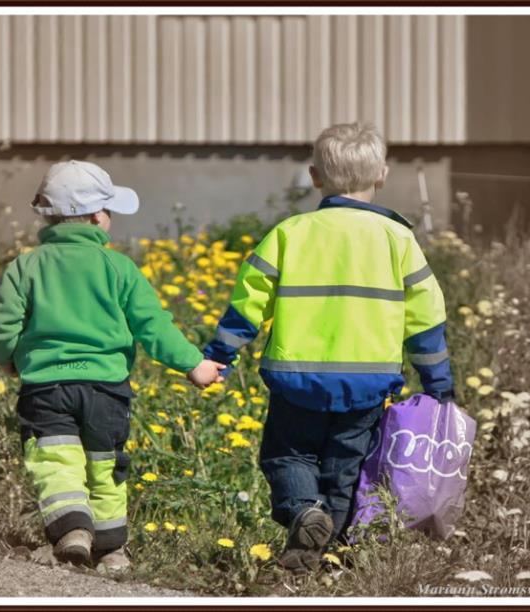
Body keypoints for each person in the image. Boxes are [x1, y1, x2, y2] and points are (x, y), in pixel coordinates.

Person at [203, 122, 455, 574]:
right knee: (346, 469)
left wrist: (219, 356)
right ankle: (328, 554)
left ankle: (303, 513)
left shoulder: (290, 233)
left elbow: (247, 304)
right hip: (367, 383)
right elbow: (427, 320)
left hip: (296, 380)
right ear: (382, 174)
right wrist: (439, 387)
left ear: (314, 176)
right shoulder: (398, 239)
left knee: (287, 455)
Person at [0, 160, 223, 573]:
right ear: (96, 217)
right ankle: (112, 552)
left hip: (46, 388)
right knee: (106, 467)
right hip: (107, 389)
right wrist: (194, 364)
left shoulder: (27, 265)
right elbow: (154, 326)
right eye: (109, 211)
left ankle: (73, 527)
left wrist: (6, 357)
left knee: (57, 461)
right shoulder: (119, 268)